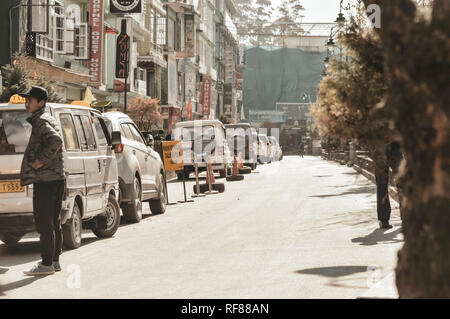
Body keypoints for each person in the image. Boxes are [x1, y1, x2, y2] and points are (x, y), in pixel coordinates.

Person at [19, 86, 66, 276]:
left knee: (44, 222)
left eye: (30, 99)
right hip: (56, 178)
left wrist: (40, 161)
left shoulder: (40, 120)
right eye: (26, 99)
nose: (26, 102)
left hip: (46, 180)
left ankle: (46, 264)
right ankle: (54, 262)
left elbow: (55, 141)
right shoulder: (48, 118)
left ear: (41, 103)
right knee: (54, 222)